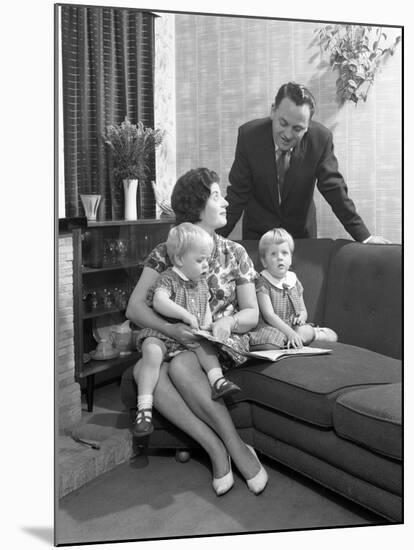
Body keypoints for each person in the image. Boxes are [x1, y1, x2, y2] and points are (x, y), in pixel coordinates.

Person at [126, 167, 268, 496]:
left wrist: (227, 323)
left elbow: (252, 313)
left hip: (217, 342)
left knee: (179, 365)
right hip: (176, 339)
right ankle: (219, 449)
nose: (226, 201)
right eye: (217, 195)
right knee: (143, 369)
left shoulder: (236, 254)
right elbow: (135, 308)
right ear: (197, 205)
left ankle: (235, 449)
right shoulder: (166, 251)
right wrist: (171, 331)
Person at [218, 81, 390, 244]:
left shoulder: (320, 140)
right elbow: (237, 195)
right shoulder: (249, 137)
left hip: (300, 237)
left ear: (308, 126)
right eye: (283, 123)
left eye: (297, 128)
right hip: (259, 237)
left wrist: (364, 237)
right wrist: (211, 240)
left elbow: (334, 190)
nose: (287, 134)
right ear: (273, 111)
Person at [132, 222, 241, 438]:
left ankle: (217, 380)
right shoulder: (169, 278)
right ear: (180, 259)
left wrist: (208, 325)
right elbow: (159, 301)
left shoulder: (201, 283)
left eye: (207, 260)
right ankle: (144, 408)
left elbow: (206, 309)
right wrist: (184, 315)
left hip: (188, 338)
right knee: (151, 352)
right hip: (163, 333)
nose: (205, 266)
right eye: (200, 260)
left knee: (206, 346)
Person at [250, 228, 337, 350]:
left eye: (284, 253)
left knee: (317, 333)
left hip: (293, 326)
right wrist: (290, 333)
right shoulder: (262, 282)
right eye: (273, 254)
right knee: (269, 342)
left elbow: (303, 311)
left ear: (291, 258)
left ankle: (310, 334)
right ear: (264, 261)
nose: (280, 257)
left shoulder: (294, 281)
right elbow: (269, 315)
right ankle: (291, 340)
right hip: (273, 326)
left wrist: (301, 319)